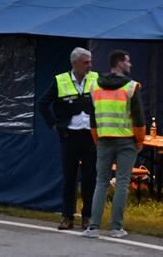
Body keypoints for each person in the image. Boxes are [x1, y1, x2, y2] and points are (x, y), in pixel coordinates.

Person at [84, 49, 146, 239]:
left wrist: (97, 139)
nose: (130, 65)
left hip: (103, 139)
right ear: (119, 63)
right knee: (122, 183)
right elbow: (139, 119)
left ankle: (93, 227)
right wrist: (140, 140)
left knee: (101, 182)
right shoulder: (131, 87)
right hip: (126, 140)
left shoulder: (94, 86)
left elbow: (92, 119)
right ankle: (116, 228)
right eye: (127, 61)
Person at [39, 47, 99, 231]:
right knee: (69, 177)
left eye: (90, 61)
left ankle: (87, 216)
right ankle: (67, 216)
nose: (90, 65)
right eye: (86, 62)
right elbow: (42, 104)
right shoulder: (61, 80)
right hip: (69, 136)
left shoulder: (96, 79)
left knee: (90, 178)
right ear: (75, 64)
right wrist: (54, 125)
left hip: (90, 136)